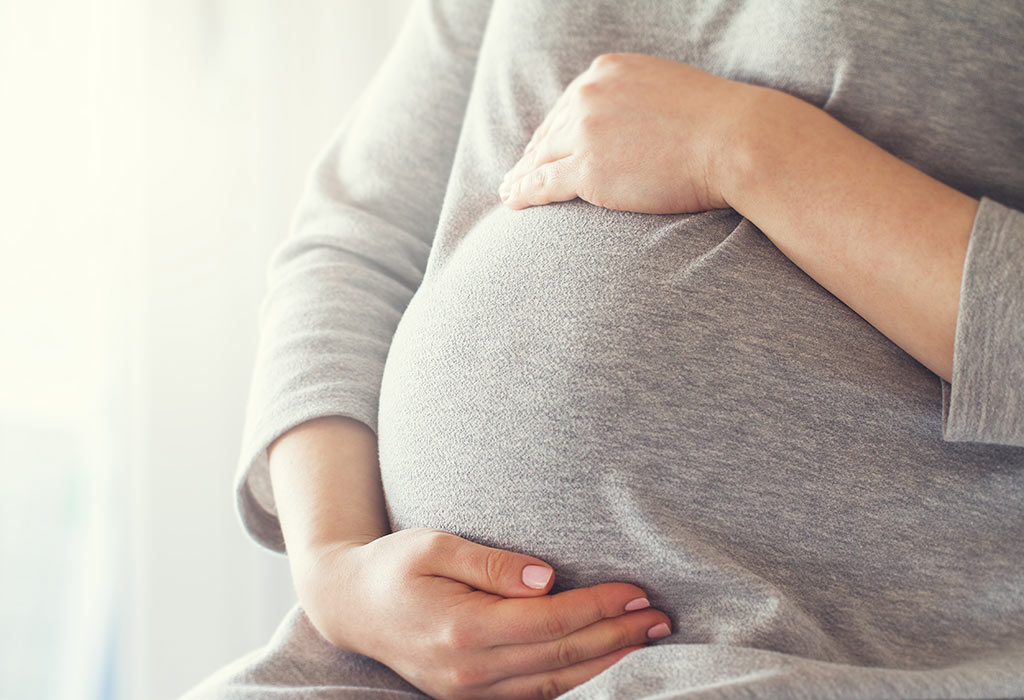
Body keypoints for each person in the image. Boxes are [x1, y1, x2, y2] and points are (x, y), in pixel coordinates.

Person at [182, 0, 1024, 698]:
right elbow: (355, 240)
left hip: (824, 659)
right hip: (395, 665)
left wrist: (743, 144)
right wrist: (335, 575)